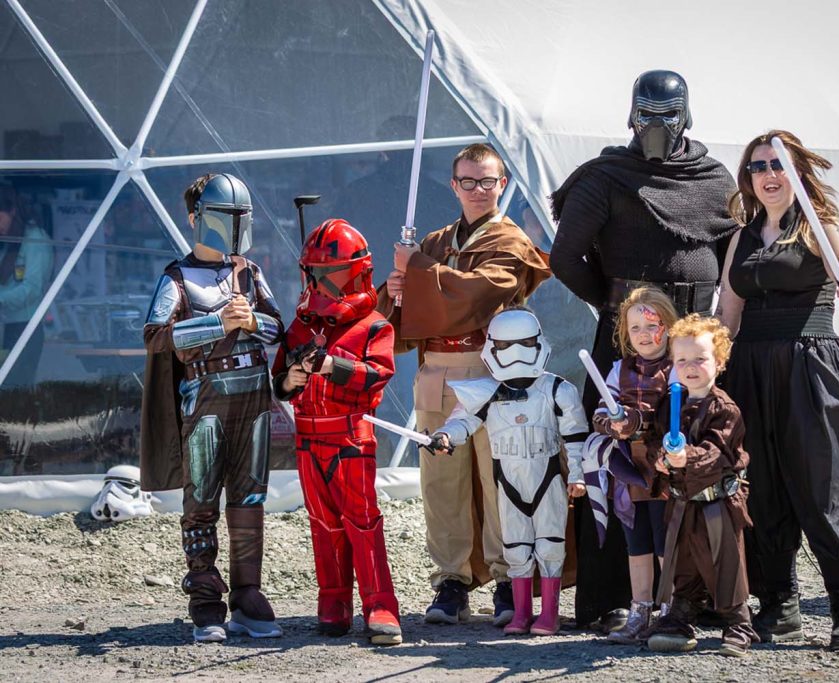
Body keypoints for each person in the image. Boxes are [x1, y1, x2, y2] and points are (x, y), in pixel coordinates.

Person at [549, 69, 738, 630]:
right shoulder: (607, 177)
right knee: (618, 463)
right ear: (630, 113)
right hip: (627, 343)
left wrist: (716, 332)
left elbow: (733, 258)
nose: (656, 124)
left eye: (667, 113)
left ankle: (698, 597)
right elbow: (565, 257)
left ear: (687, 114)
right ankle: (612, 598)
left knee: (697, 458)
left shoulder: (712, 176)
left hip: (694, 345)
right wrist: (615, 311)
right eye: (646, 113)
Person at [378, 143, 551, 625]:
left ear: (502, 185)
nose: (478, 191)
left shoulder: (510, 242)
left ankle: (506, 578)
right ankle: (451, 582)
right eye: (469, 182)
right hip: (437, 372)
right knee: (442, 482)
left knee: (497, 480)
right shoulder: (434, 241)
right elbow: (399, 310)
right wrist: (396, 289)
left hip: (491, 374)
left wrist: (417, 271)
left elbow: (476, 294)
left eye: (488, 181)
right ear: (454, 185)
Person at [717, 130, 839, 651]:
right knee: (762, 483)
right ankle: (779, 605)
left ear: (797, 174)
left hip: (811, 365)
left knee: (822, 480)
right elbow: (728, 315)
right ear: (749, 178)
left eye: (778, 164)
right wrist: (702, 363)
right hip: (750, 370)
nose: (768, 174)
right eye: (758, 166)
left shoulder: (819, 228)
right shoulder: (741, 237)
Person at [141, 173, 285, 643]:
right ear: (196, 218)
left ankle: (248, 594)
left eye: (240, 216)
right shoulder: (177, 277)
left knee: (250, 497)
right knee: (200, 499)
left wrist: (253, 320)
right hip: (204, 399)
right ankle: (205, 597)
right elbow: (155, 336)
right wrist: (216, 323)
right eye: (226, 215)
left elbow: (277, 328)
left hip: (253, 395)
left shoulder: (251, 271)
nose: (235, 225)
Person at [271, 217, 402, 646]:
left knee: (363, 523)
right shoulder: (301, 327)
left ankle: (380, 604)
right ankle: (333, 601)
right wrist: (293, 377)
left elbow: (377, 376)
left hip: (349, 438)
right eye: (315, 274)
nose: (322, 284)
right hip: (309, 440)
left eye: (331, 275)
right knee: (322, 523)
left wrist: (331, 364)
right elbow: (279, 385)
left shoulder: (375, 326)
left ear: (357, 274)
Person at [428, 308, 588, 636]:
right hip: (510, 481)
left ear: (538, 343)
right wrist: (445, 435)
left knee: (550, 545)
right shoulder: (487, 392)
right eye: (506, 345)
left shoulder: (558, 390)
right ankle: (521, 613)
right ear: (492, 348)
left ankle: (549, 614)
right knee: (515, 547)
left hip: (547, 478)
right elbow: (464, 421)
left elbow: (575, 437)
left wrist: (577, 475)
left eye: (524, 343)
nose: (515, 353)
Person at [644, 314, 756, 657]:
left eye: (700, 359)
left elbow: (717, 453)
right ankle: (681, 614)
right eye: (682, 360)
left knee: (724, 560)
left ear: (719, 362)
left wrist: (686, 458)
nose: (690, 367)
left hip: (716, 503)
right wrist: (661, 458)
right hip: (682, 502)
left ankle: (738, 622)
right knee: (683, 561)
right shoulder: (671, 403)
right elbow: (655, 440)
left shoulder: (724, 409)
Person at [584, 287, 677, 644]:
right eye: (634, 327)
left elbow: (676, 415)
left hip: (666, 470)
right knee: (636, 542)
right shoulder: (618, 370)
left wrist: (636, 422)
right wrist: (612, 425)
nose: (643, 334)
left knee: (665, 542)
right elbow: (599, 414)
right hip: (629, 472)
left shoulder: (676, 369)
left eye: (651, 325)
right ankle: (640, 611)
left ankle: (670, 611)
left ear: (668, 327)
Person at [0, 183, 53, 388]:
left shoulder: (35, 241)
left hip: (25, 327)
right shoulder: (9, 241)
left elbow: (31, 289)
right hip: (7, 325)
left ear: (12, 210)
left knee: (15, 389)